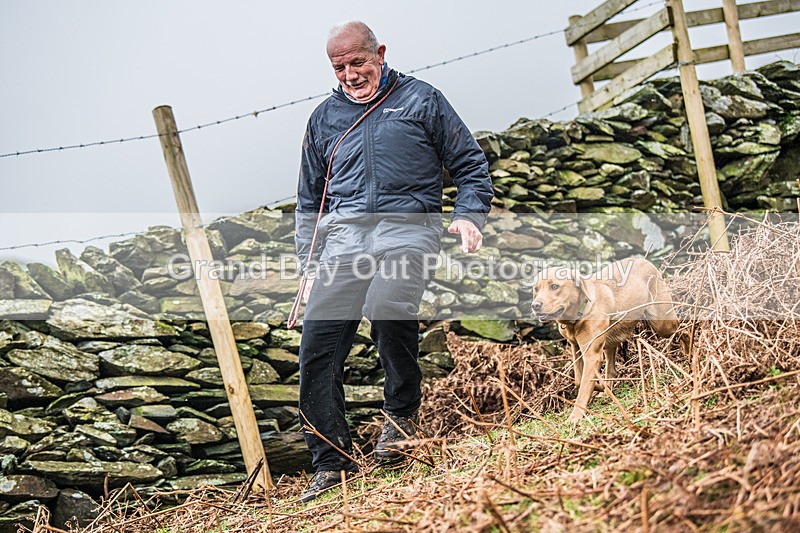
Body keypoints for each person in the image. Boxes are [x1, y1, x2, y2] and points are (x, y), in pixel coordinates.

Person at [294, 21, 493, 503]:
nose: (349, 75)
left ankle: (401, 418)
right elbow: (308, 202)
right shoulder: (324, 119)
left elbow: (470, 165)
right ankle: (329, 462)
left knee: (388, 307)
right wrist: (308, 264)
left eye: (357, 62)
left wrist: (469, 216)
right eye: (338, 67)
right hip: (343, 245)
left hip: (409, 232)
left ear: (379, 53)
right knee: (316, 349)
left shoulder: (422, 100)